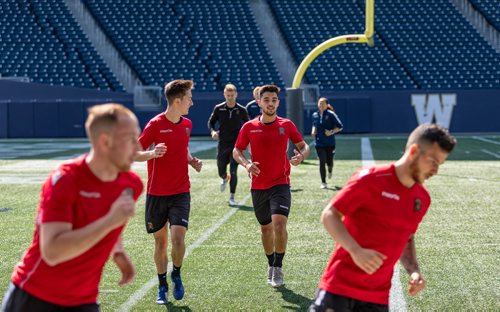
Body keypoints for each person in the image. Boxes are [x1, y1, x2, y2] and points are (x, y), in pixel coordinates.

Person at [2, 103, 144, 312]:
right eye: (131, 138)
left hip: (83, 300)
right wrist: (109, 222)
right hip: (34, 297)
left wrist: (117, 249)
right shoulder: (65, 180)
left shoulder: (131, 185)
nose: (138, 147)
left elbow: (109, 215)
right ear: (105, 141)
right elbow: (52, 251)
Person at [310, 123, 456, 312]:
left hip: (378, 299)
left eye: (440, 164)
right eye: (433, 161)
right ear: (413, 151)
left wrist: (413, 270)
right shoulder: (370, 179)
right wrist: (355, 250)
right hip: (339, 289)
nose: (436, 170)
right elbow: (329, 215)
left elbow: (407, 237)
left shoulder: (422, 199)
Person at [233, 84, 310, 288]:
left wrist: (301, 156)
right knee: (266, 229)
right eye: (266, 100)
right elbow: (236, 151)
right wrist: (247, 164)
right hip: (258, 186)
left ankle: (278, 267)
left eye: (274, 100)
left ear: (278, 102)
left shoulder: (287, 124)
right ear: (259, 102)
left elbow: (305, 146)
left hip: (281, 184)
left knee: (279, 225)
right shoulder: (249, 127)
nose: (270, 103)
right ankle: (270, 263)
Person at [134, 79, 202, 305]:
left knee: (178, 238)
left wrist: (191, 161)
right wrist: (152, 154)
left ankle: (177, 274)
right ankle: (162, 285)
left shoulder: (187, 124)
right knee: (161, 243)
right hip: (156, 194)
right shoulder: (154, 124)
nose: (192, 103)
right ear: (177, 101)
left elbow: (182, 148)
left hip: (181, 191)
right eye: (189, 99)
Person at [207, 83, 249, 206]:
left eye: (232, 95)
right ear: (224, 95)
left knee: (234, 170)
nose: (230, 97)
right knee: (221, 170)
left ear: (236, 94)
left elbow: (248, 125)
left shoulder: (241, 110)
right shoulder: (219, 108)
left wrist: (246, 141)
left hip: (236, 146)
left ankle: (232, 196)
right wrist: (213, 131)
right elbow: (211, 122)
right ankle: (225, 178)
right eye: (228, 95)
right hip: (223, 144)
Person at [311, 97, 343, 189]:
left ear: (326, 105)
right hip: (319, 143)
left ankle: (330, 169)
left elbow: (340, 126)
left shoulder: (331, 114)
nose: (320, 105)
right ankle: (323, 182)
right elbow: (314, 124)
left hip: (330, 143)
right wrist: (313, 130)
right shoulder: (315, 115)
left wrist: (331, 132)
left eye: (323, 103)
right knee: (322, 162)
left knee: (329, 162)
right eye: (319, 103)